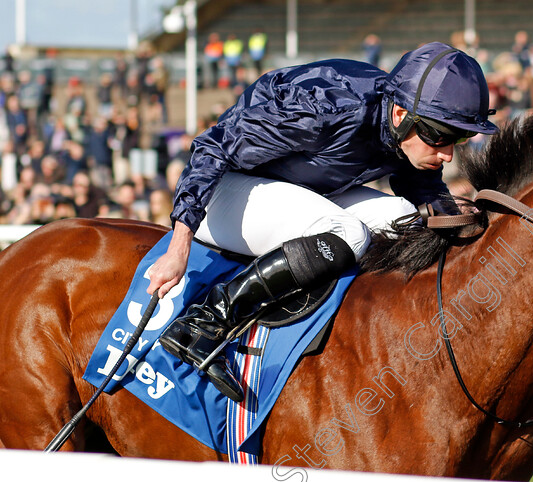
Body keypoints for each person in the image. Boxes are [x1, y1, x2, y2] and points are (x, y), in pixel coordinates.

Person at [147, 42, 497, 402]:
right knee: (348, 233)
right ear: (399, 114)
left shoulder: (406, 124)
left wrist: (456, 216)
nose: (448, 153)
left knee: (407, 222)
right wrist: (180, 244)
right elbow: (212, 149)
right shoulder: (324, 106)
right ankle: (205, 322)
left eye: (459, 138)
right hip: (222, 193)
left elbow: (419, 186)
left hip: (301, 193)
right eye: (439, 136)